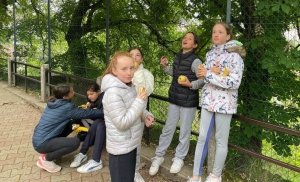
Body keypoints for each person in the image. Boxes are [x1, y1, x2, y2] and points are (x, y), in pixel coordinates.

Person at [188, 22, 245, 182]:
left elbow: (234, 82)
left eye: (220, 32)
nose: (216, 34)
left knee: (221, 141)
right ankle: (195, 176)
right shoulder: (210, 54)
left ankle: (215, 175)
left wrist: (209, 74)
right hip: (207, 101)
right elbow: (201, 73)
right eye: (214, 31)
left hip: (225, 104)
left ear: (228, 36)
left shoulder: (235, 56)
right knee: (202, 138)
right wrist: (207, 73)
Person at [149, 32, 205, 176]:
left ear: (195, 45)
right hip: (174, 99)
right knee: (168, 128)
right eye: (185, 37)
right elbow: (176, 74)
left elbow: (203, 80)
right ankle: (158, 156)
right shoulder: (178, 56)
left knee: (184, 132)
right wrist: (165, 67)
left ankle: (179, 158)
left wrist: (190, 84)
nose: (185, 40)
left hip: (188, 102)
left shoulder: (196, 61)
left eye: (190, 38)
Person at [101, 51, 155, 182]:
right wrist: (139, 101)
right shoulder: (113, 93)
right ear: (114, 71)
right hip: (120, 149)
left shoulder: (129, 86)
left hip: (131, 144)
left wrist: (145, 115)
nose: (129, 72)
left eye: (131, 68)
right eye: (124, 69)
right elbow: (122, 123)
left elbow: (132, 110)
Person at [32, 83, 103, 173]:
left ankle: (47, 151)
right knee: (75, 142)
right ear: (65, 96)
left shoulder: (53, 103)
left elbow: (72, 116)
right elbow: (86, 113)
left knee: (71, 123)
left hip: (39, 138)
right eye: (72, 91)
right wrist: (104, 111)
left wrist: (72, 124)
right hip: (43, 143)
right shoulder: (67, 107)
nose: (74, 92)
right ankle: (46, 159)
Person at [129, 46, 155, 182]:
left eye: (137, 55)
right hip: (124, 113)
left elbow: (145, 91)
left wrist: (137, 72)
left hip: (139, 113)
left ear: (142, 58)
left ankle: (135, 171)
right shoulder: (124, 73)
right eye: (131, 54)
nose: (134, 57)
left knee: (136, 142)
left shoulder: (147, 74)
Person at [70, 82, 106, 173]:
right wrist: (89, 104)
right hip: (98, 122)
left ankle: (86, 154)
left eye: (91, 94)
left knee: (97, 123)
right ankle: (83, 153)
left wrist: (90, 109)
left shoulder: (104, 98)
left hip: (106, 122)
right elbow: (92, 105)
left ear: (98, 91)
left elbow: (103, 113)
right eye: (88, 94)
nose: (89, 96)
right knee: (91, 121)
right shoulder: (92, 100)